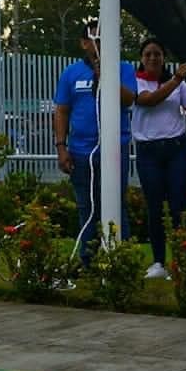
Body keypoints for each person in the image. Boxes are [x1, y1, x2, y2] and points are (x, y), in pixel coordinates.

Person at [132, 37, 186, 280]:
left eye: (157, 54)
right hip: (148, 150)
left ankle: (179, 261)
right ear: (141, 58)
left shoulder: (178, 85)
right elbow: (149, 101)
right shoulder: (136, 81)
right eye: (148, 54)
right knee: (154, 207)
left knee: (178, 207)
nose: (152, 58)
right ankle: (158, 261)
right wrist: (177, 79)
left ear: (164, 58)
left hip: (175, 149)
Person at [54, 21, 137, 272]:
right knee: (85, 206)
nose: (99, 44)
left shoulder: (123, 68)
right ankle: (87, 260)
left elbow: (129, 100)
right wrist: (61, 146)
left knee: (115, 204)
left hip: (113, 148)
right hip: (81, 151)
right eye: (94, 39)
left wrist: (107, 77)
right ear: (84, 43)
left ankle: (120, 259)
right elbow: (62, 110)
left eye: (104, 39)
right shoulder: (71, 73)